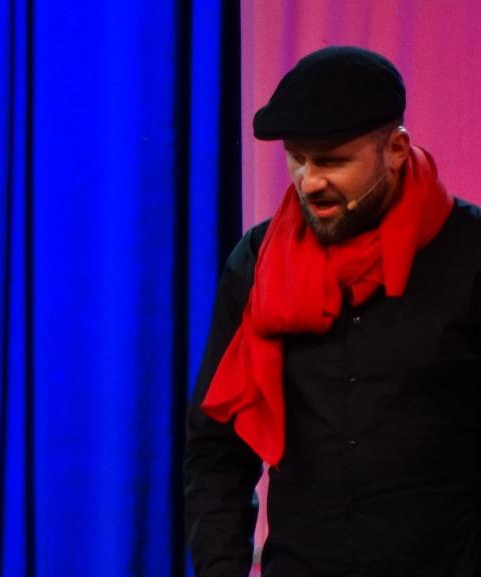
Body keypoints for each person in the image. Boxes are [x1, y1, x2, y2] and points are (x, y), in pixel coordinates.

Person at [184, 45, 481, 576]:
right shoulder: (255, 262)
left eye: (332, 161)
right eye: (296, 158)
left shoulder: (472, 253)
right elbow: (216, 449)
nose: (309, 181)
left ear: (395, 149)